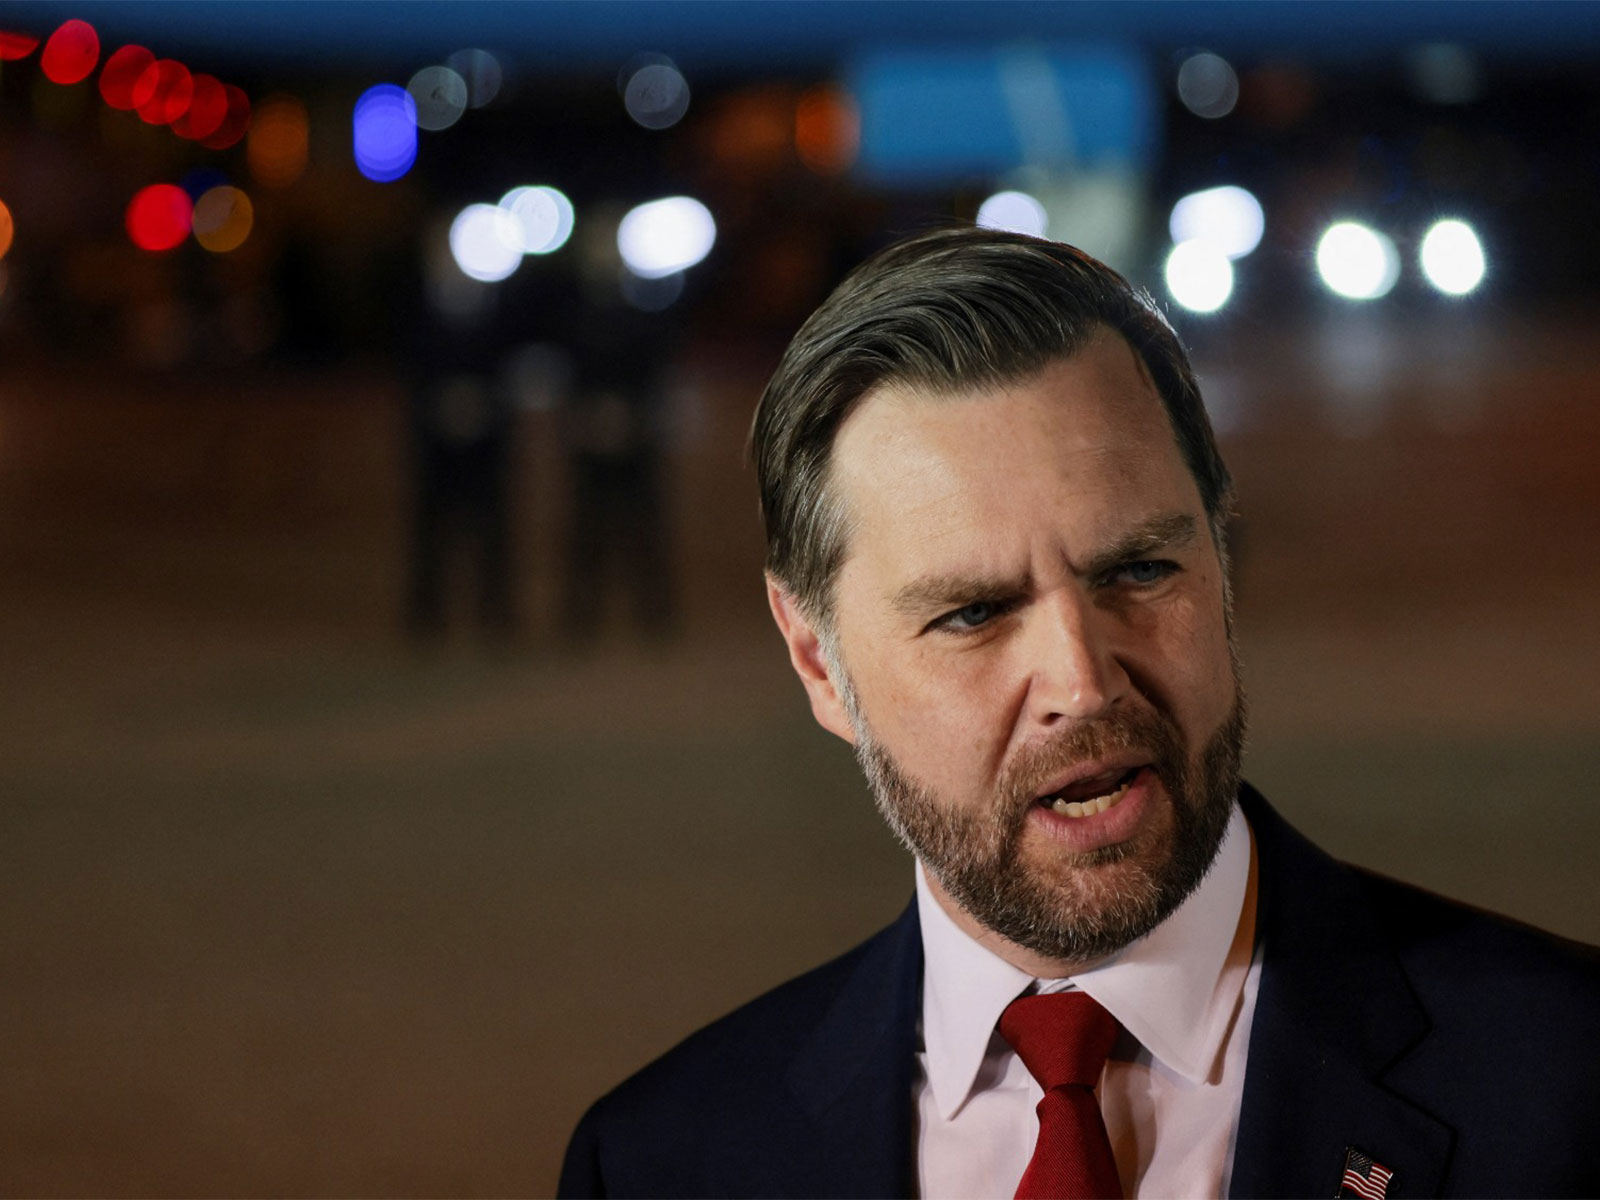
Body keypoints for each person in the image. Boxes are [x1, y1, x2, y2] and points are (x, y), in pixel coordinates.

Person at [557, 228, 1600, 1199]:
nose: (1083, 681)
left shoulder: (1567, 1084)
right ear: (817, 664)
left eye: (1141, 569)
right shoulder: (659, 1161)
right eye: (971, 613)